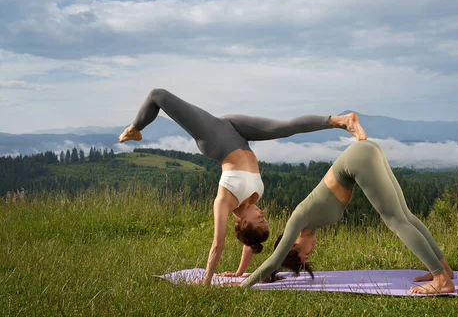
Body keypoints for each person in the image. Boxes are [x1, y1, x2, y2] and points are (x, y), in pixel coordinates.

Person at [118, 88, 367, 285]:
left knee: (157, 95)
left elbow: (218, 245)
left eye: (260, 220)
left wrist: (206, 281)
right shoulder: (252, 200)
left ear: (245, 223)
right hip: (237, 129)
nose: (262, 213)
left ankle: (134, 129)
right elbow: (250, 243)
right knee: (285, 128)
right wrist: (240, 273)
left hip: (215, 137)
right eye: (265, 218)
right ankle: (342, 120)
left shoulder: (224, 202)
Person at [240, 140, 454, 295]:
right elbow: (276, 265)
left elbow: (274, 259)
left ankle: (441, 279)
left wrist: (243, 285)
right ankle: (444, 269)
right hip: (364, 152)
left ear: (294, 245)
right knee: (405, 215)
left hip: (359, 159)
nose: (312, 252)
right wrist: (264, 275)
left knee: (394, 219)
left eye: (305, 256)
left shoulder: (298, 220)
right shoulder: (309, 226)